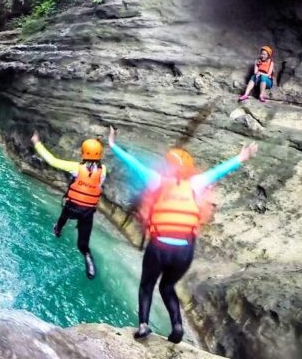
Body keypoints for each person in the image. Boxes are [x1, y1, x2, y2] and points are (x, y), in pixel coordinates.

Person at [107, 126, 258, 344]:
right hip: (184, 251)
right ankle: (177, 325)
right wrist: (242, 157)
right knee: (167, 286)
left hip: (159, 246)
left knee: (147, 286)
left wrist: (112, 145)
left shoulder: (156, 179)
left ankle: (143, 325)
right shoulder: (197, 183)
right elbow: (220, 170)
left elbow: (132, 163)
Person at [30, 131, 106, 279]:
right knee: (82, 244)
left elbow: (52, 160)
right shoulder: (103, 171)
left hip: (72, 207)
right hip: (87, 212)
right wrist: (97, 143)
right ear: (100, 155)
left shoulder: (76, 167)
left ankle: (58, 229)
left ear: (82, 153)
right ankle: (88, 259)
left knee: (64, 215)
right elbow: (95, 161)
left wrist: (36, 142)